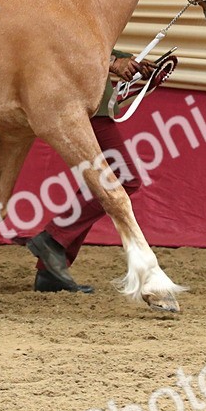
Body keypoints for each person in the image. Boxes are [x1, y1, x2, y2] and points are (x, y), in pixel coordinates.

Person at [24, 50, 156, 293]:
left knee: (102, 182)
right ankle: (53, 239)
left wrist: (128, 64)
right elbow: (64, 41)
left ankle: (50, 268)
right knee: (122, 178)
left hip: (89, 102)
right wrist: (114, 62)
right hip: (84, 104)